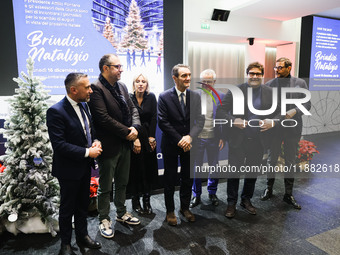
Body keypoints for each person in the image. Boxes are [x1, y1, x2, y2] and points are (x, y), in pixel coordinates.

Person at [46, 73, 102, 255]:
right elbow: (59, 145)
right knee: (67, 208)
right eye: (87, 87)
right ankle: (65, 245)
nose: (91, 90)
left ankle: (82, 236)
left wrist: (96, 141)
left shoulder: (85, 106)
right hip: (69, 170)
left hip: (84, 167)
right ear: (73, 90)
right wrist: (88, 152)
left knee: (82, 205)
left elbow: (90, 130)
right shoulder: (56, 111)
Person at [216, 62, 279, 218]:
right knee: (234, 173)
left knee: (252, 172)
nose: (255, 76)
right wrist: (233, 120)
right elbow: (221, 111)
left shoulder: (270, 92)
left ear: (262, 75)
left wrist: (273, 122)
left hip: (259, 140)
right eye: (252, 73)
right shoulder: (236, 91)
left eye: (258, 74)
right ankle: (231, 203)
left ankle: (246, 200)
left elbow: (279, 112)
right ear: (247, 74)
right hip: (238, 139)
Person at [88, 54, 141, 239]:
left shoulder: (122, 86)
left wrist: (135, 128)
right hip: (109, 146)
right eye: (117, 66)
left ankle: (121, 213)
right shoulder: (95, 88)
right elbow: (103, 118)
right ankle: (104, 218)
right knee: (105, 187)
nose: (121, 69)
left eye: (121, 66)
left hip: (125, 144)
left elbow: (133, 108)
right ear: (105, 68)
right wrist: (128, 131)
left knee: (122, 182)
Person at [260, 57, 311, 209]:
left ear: (289, 68)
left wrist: (295, 110)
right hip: (275, 130)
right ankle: (269, 188)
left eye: (280, 68)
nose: (277, 70)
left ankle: (288, 194)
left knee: (290, 161)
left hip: (292, 129)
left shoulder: (300, 83)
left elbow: (307, 104)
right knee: (271, 160)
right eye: (276, 68)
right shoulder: (269, 85)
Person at [158, 64, 204, 226]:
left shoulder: (196, 96)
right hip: (171, 144)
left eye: (189, 75)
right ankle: (170, 211)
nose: (188, 78)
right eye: (184, 75)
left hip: (190, 144)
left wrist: (190, 137)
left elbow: (201, 121)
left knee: (187, 177)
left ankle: (185, 208)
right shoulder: (164, 96)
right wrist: (180, 139)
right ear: (175, 78)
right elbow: (163, 122)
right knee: (170, 178)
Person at [190, 69, 225, 208]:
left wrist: (222, 137)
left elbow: (223, 118)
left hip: (214, 138)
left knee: (214, 166)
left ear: (214, 82)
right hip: (198, 138)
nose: (205, 84)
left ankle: (212, 193)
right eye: (203, 81)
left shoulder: (221, 96)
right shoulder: (193, 96)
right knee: (196, 168)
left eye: (208, 81)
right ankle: (196, 195)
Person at [128, 73, 158, 215]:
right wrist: (135, 139)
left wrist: (152, 137)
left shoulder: (151, 97)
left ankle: (147, 201)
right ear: (133, 84)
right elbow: (127, 119)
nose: (140, 84)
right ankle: (135, 201)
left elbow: (153, 118)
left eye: (143, 81)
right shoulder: (128, 97)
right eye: (137, 81)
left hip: (148, 139)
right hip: (133, 138)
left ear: (147, 84)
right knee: (135, 172)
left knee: (148, 171)